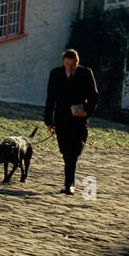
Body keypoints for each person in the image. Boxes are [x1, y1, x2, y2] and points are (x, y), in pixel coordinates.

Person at [43, 48, 99, 195]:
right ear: (63, 62)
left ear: (77, 63)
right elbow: (50, 99)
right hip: (61, 119)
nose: (70, 68)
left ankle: (69, 185)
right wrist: (48, 120)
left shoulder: (86, 73)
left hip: (78, 120)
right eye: (67, 64)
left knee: (73, 153)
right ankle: (69, 183)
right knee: (65, 152)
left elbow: (94, 97)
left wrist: (86, 111)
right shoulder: (56, 74)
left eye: (73, 65)